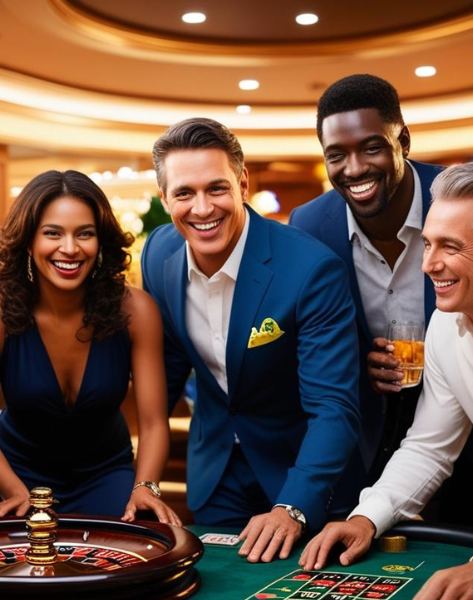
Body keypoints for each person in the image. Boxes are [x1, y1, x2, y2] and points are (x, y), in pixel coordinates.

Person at [141, 117, 363, 563]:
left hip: (306, 477)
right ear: (165, 198)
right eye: (184, 193)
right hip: (215, 476)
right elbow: (162, 379)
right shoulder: (157, 255)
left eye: (216, 188)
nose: (202, 209)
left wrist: (293, 504)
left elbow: (333, 406)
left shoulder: (310, 269)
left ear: (242, 183)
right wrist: (133, 480)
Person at [300, 161, 473, 600]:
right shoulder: (444, 325)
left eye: (451, 247)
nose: (428, 265)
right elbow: (428, 447)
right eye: (427, 244)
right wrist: (368, 516)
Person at [0, 170, 181, 525]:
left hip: (107, 475)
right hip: (16, 476)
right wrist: (14, 491)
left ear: (101, 241)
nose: (70, 248)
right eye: (52, 233)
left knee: (127, 566)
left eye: (85, 234)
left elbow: (155, 422)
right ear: (29, 241)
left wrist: (145, 485)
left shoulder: (137, 311)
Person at [289, 73, 443, 478]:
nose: (353, 169)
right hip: (368, 437)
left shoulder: (457, 197)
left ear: (403, 142)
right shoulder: (308, 224)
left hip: (472, 429)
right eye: (336, 155)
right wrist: (360, 363)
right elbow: (311, 336)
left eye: (372, 148)